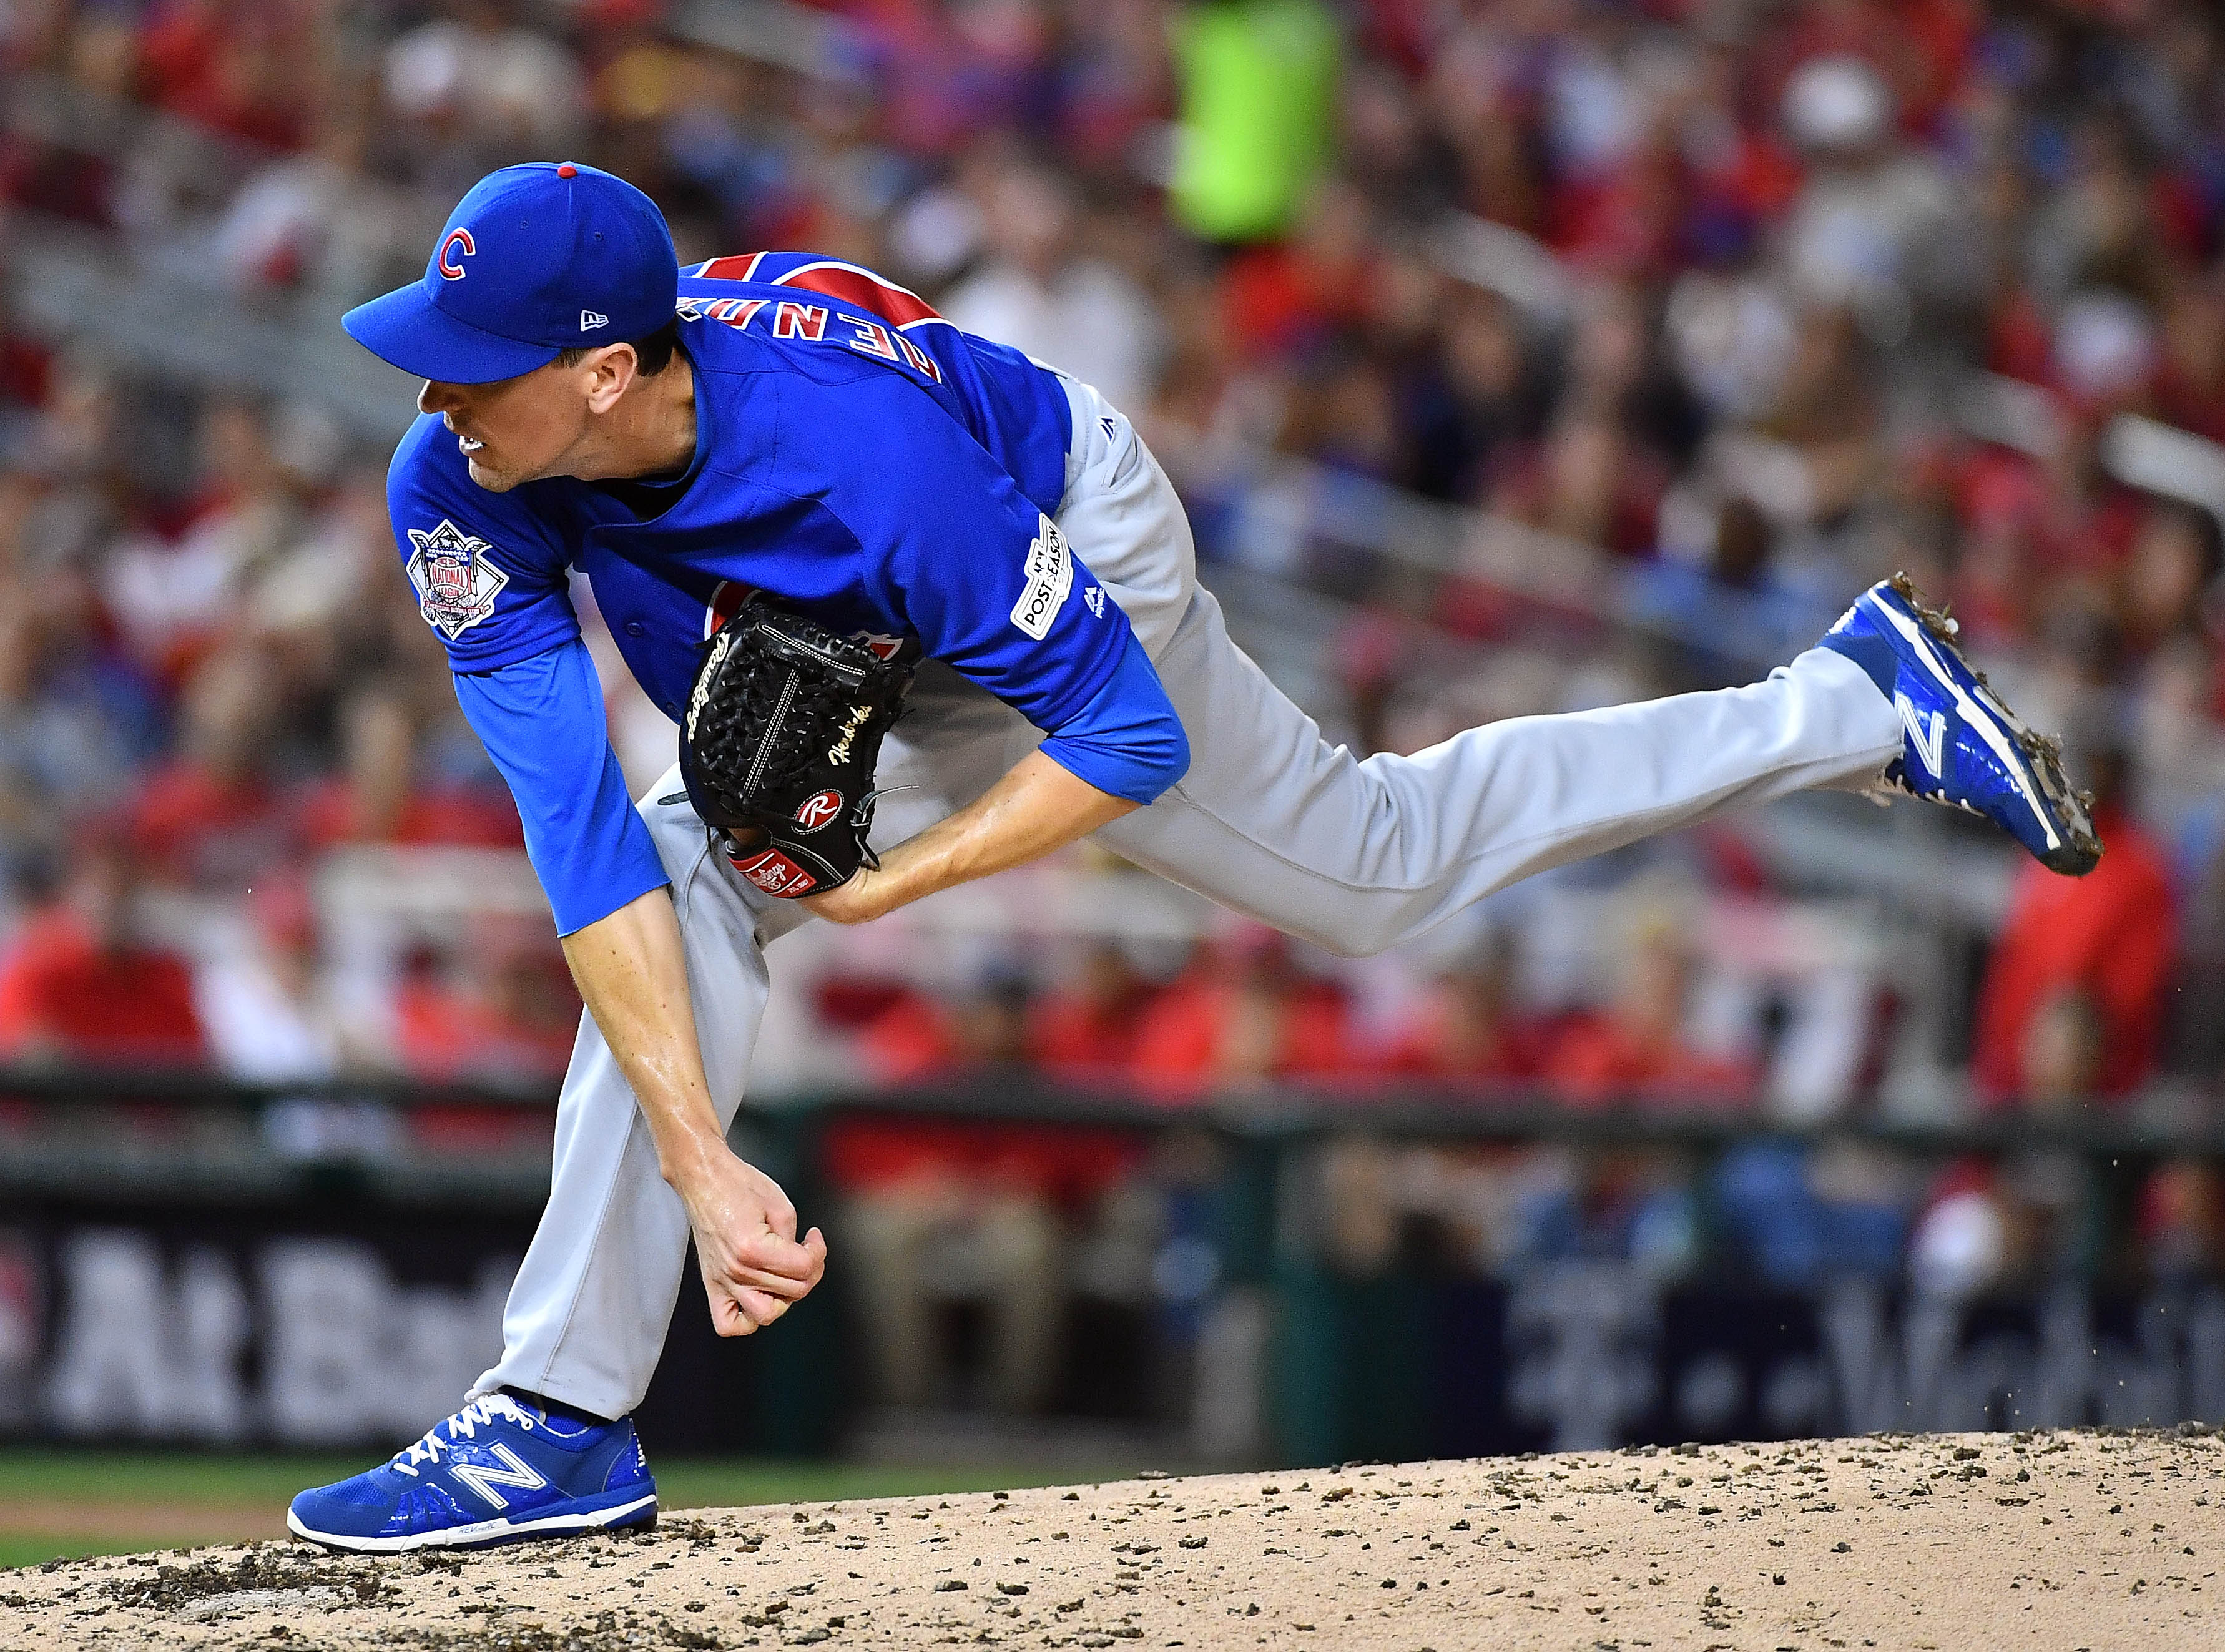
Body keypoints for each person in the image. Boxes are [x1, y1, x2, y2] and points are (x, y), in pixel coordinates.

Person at [288, 162, 2100, 1551]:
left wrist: (883, 887)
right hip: (850, 621)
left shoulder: (867, 471)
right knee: (688, 863)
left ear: (607, 373)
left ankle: (1847, 701)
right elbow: (583, 847)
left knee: (1374, 871)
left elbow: (1123, 740)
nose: (436, 400)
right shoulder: (456, 482)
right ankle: (556, 1420)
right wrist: (702, 1159)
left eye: (476, 371)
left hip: (1045, 548)